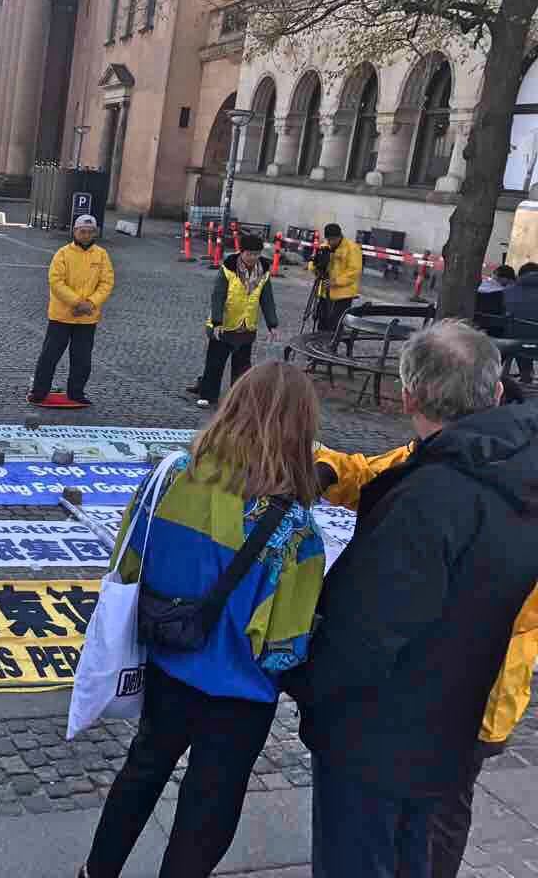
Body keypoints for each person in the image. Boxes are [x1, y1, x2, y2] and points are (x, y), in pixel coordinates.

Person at [285, 321, 538, 878]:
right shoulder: (493, 453)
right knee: (423, 837)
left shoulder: (433, 495)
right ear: (497, 391)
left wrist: (305, 685)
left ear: (408, 397)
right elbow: (389, 472)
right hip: (460, 703)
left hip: (404, 720)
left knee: (404, 840)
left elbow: (365, 631)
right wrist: (328, 468)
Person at [79, 361, 327, 878]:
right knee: (208, 806)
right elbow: (284, 646)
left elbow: (128, 563)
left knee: (141, 772)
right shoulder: (297, 530)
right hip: (241, 695)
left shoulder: (170, 477)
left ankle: (95, 872)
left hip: (167, 665)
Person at [314, 439, 538, 878]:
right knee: (415, 820)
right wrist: (326, 466)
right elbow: (377, 474)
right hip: (440, 690)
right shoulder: (448, 452)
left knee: (432, 821)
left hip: (475, 695)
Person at [27, 214, 114, 408]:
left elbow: (106, 283)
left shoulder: (101, 255)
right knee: (49, 356)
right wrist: (77, 303)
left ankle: (76, 393)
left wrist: (91, 303)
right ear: (75, 231)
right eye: (82, 231)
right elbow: (56, 282)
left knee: (82, 359)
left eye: (90, 232)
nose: (86, 235)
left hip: (87, 318)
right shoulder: (63, 254)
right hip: (61, 316)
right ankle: (39, 392)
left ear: (95, 233)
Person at [189, 235, 279, 408]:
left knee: (242, 367)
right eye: (249, 254)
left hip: (247, 326)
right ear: (241, 252)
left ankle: (238, 398)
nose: (253, 258)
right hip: (224, 325)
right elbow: (218, 296)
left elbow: (267, 299)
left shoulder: (264, 272)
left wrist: (272, 324)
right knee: (215, 363)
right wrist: (217, 321)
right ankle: (207, 394)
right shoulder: (228, 269)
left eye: (256, 254)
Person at [308, 222, 362, 332]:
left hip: (343, 296)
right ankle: (320, 341)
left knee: (335, 326)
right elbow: (313, 263)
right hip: (325, 293)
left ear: (339, 236)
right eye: (328, 239)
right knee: (322, 323)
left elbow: (354, 272)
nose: (330, 242)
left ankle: (333, 342)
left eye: (333, 239)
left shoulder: (352, 248)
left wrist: (336, 281)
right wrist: (315, 268)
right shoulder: (324, 246)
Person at [504, 261, 538, 383]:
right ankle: (527, 375)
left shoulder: (506, 292)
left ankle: (526, 374)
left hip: (513, 344)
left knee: (520, 334)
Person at [475, 264, 516, 338]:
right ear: (505, 279)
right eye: (511, 281)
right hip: (496, 331)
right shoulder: (503, 293)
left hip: (478, 328)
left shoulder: (479, 288)